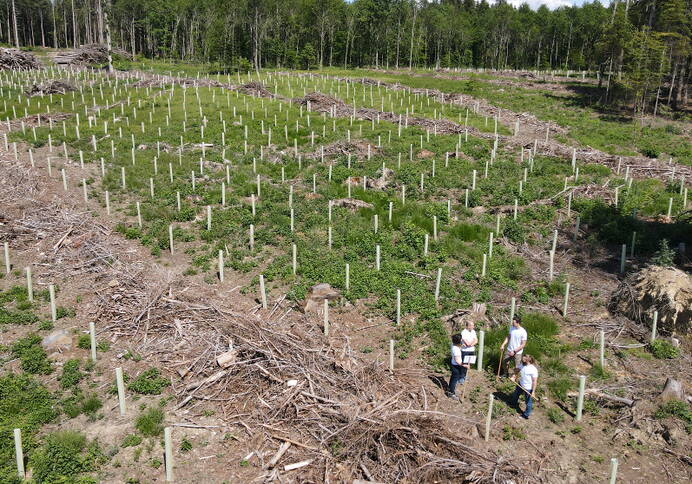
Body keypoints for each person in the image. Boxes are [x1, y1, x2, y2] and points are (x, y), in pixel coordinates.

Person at [511, 354, 538, 419]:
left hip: (528, 388)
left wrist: (533, 392)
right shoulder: (522, 365)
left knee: (528, 402)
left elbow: (534, 381)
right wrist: (513, 376)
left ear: (529, 359)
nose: (523, 358)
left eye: (525, 357)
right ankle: (513, 404)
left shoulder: (533, 369)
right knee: (515, 394)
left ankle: (526, 415)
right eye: (523, 356)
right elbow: (517, 370)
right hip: (520, 384)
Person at [447, 333, 464, 399]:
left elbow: (459, 346)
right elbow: (457, 360)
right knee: (454, 379)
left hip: (453, 364)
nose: (462, 340)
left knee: (453, 378)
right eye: (461, 339)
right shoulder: (456, 350)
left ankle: (450, 389)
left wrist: (461, 345)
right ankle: (451, 393)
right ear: (458, 341)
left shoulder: (453, 345)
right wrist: (464, 365)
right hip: (456, 366)